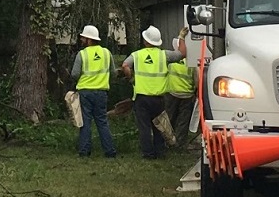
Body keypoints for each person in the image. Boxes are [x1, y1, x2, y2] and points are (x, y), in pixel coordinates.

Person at [122, 25, 186, 159]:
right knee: (159, 125)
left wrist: (132, 78)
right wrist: (181, 38)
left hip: (141, 98)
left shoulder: (137, 55)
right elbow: (182, 54)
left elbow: (125, 66)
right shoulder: (164, 55)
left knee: (144, 128)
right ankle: (160, 152)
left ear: (145, 41)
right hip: (159, 99)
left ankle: (148, 154)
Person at [70, 24, 117, 158]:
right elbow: (113, 73)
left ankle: (84, 151)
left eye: (83, 38)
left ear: (88, 39)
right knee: (102, 122)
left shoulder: (82, 54)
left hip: (85, 92)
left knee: (85, 122)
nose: (81, 40)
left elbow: (74, 74)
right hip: (101, 92)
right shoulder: (106, 53)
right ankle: (110, 151)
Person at [164, 27, 202, 148]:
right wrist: (197, 91)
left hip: (171, 94)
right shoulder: (191, 62)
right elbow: (197, 79)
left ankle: (167, 142)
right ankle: (179, 144)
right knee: (183, 121)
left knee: (169, 119)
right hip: (187, 95)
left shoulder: (170, 61)